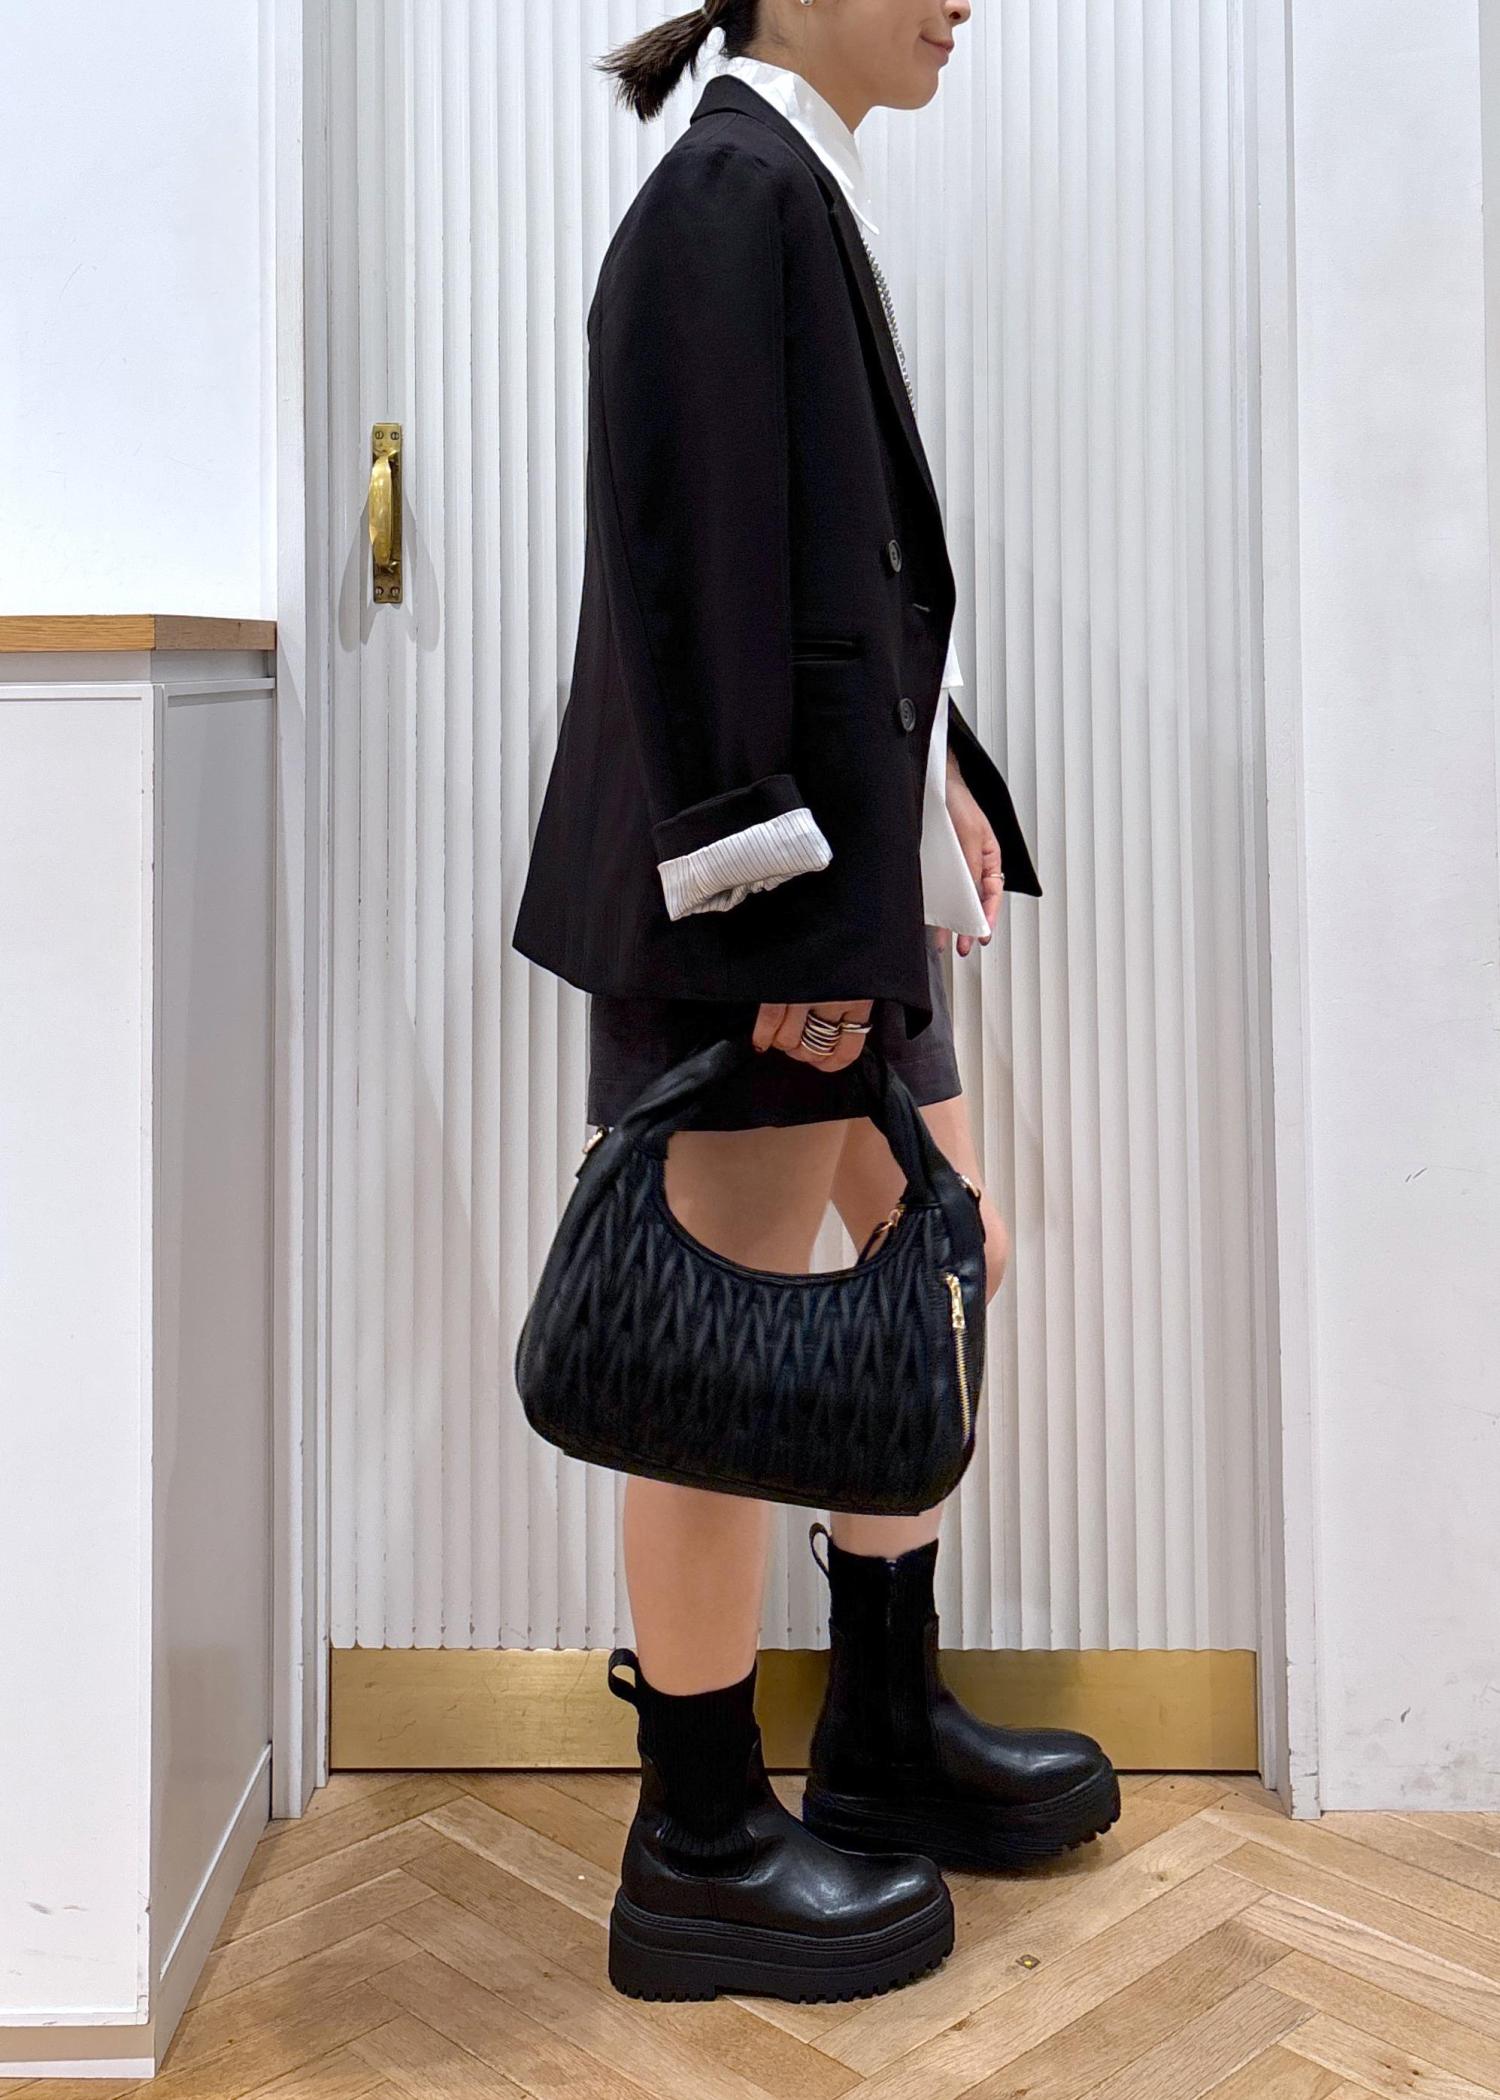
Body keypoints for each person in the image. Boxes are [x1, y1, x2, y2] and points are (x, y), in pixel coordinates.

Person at [511, 0, 1119, 2005]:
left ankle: (878, 1731)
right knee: (712, 1351)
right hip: (764, 915)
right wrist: (776, 937)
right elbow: (693, 586)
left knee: (946, 1256)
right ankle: (695, 1841)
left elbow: (841, 579)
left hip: (845, 883)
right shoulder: (725, 195)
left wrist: (938, 784)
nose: (967, 1)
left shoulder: (789, 184)